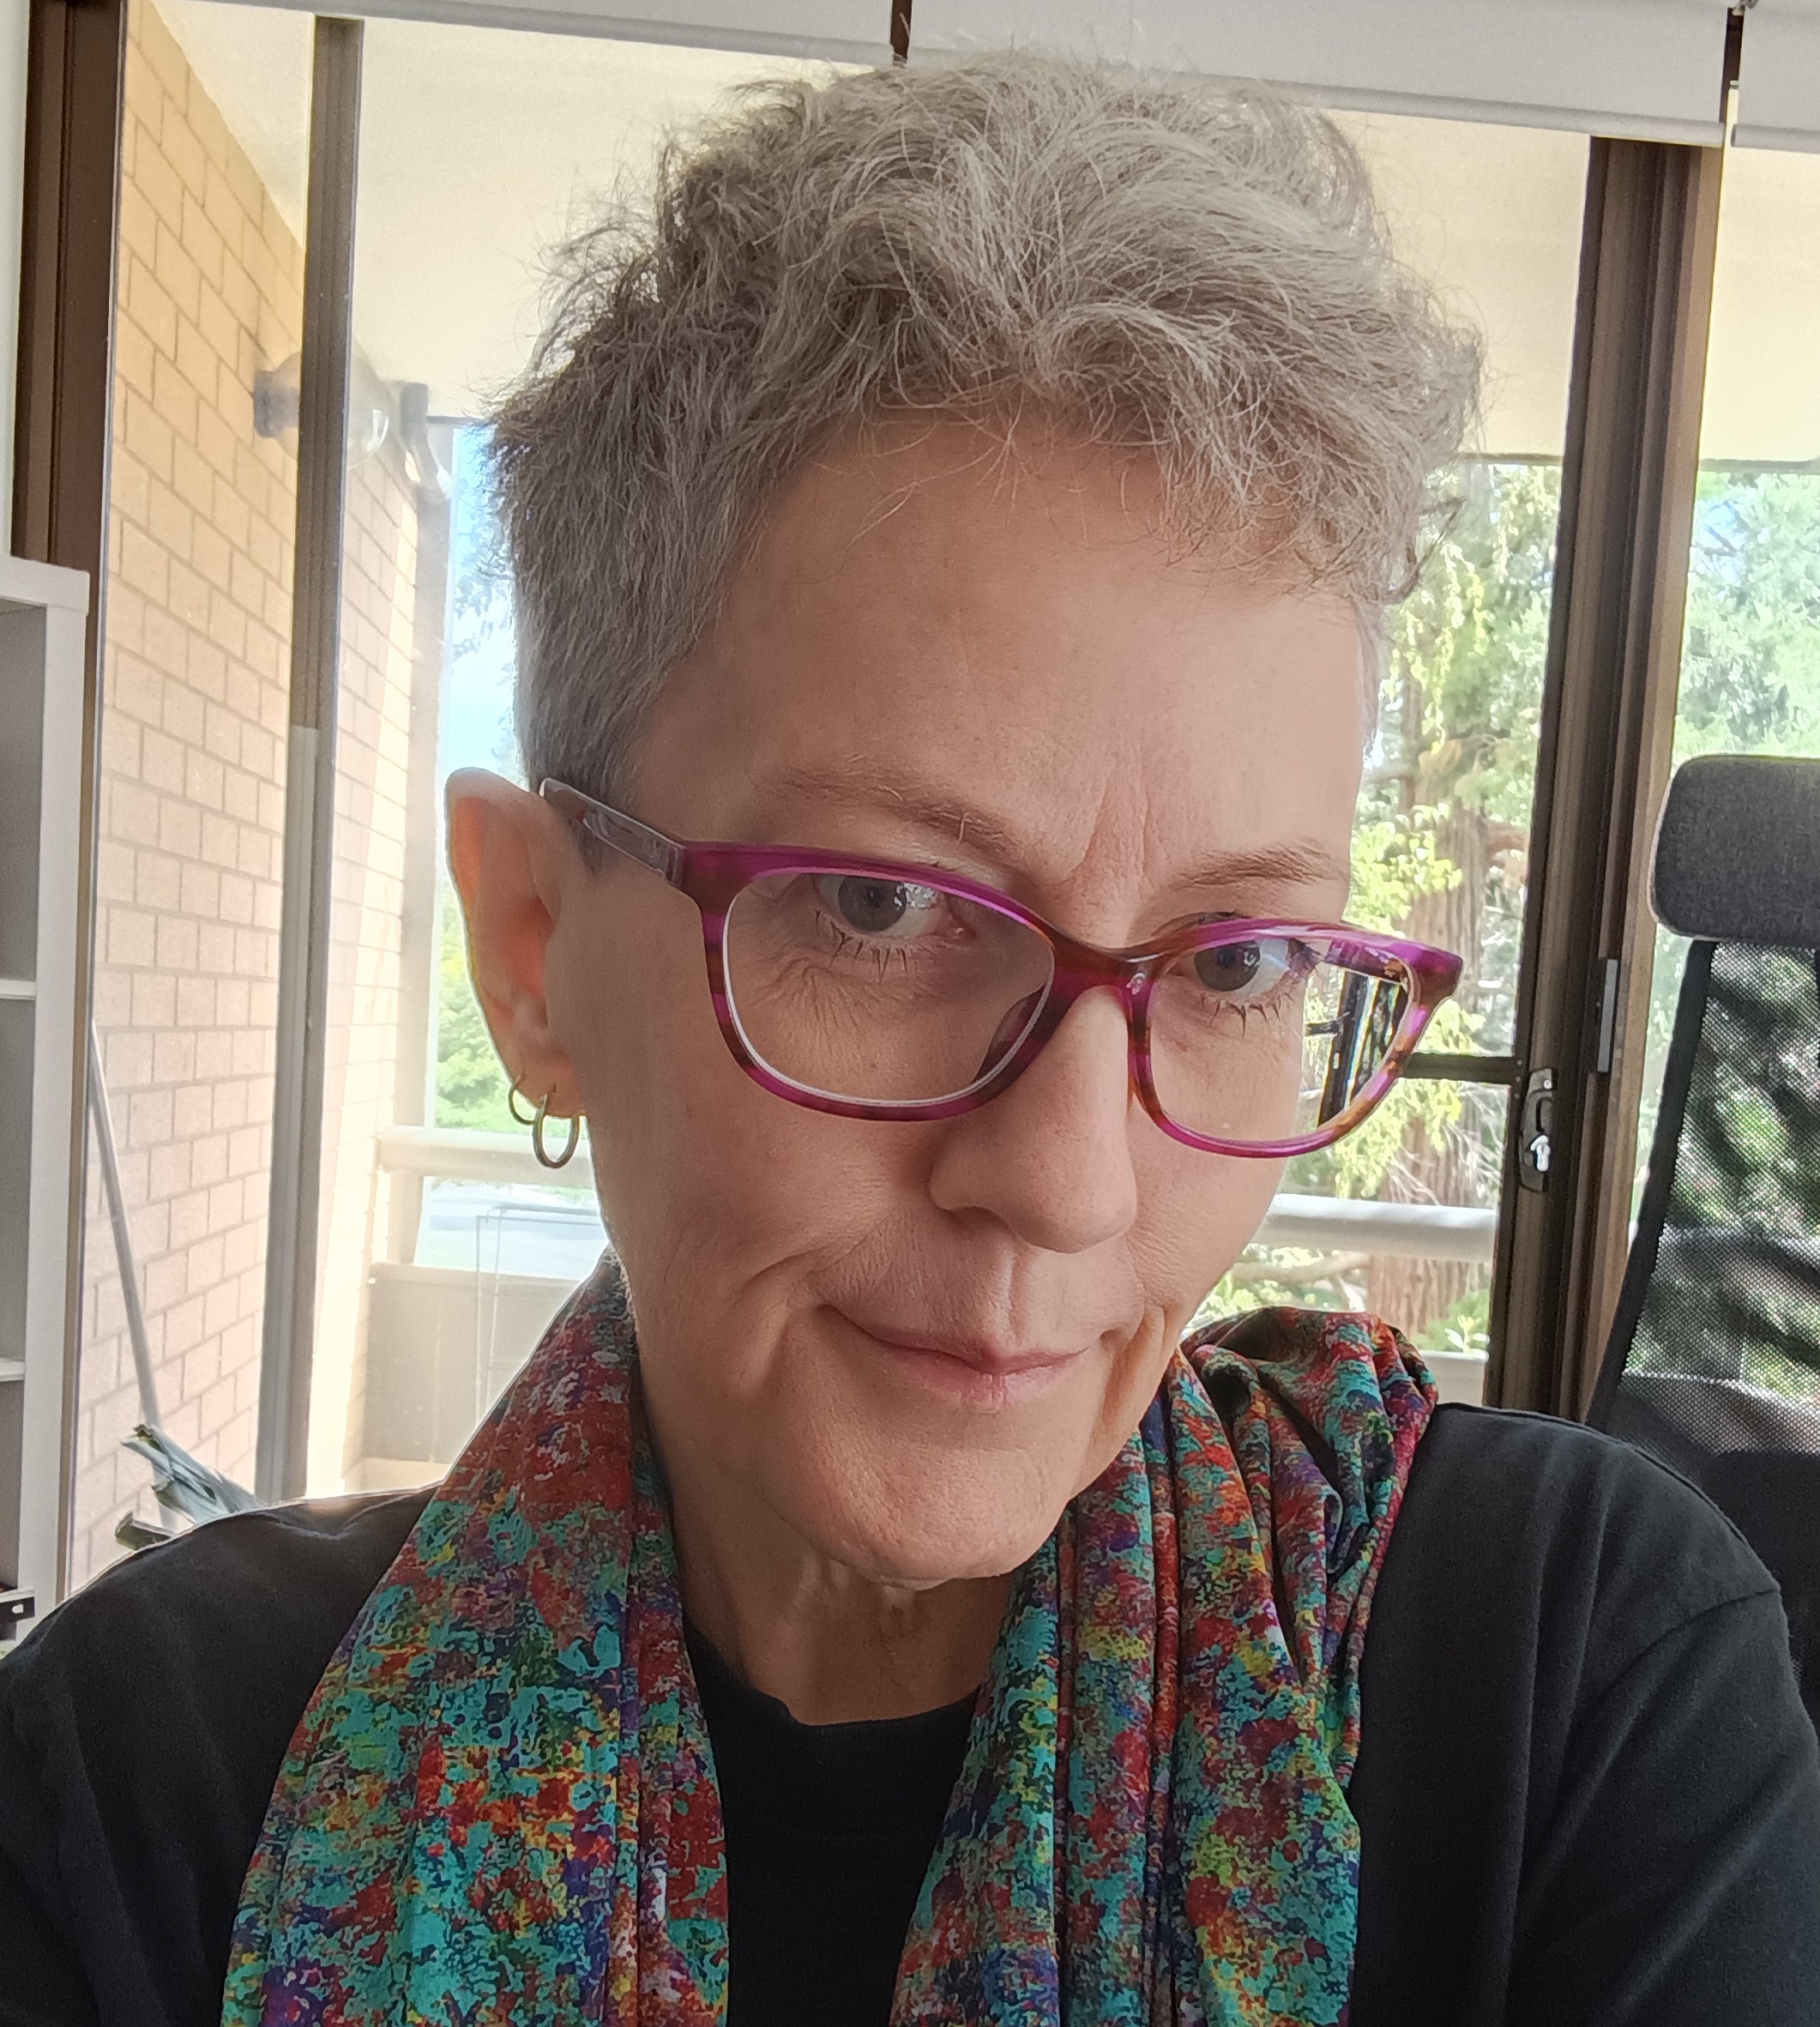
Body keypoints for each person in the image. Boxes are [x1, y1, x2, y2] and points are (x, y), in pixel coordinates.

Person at [3, 53, 1817, 2027]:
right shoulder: (148, 1786)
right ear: (532, 949)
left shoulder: (1578, 1690)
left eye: (1230, 964)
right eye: (883, 909)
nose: (1065, 1182)